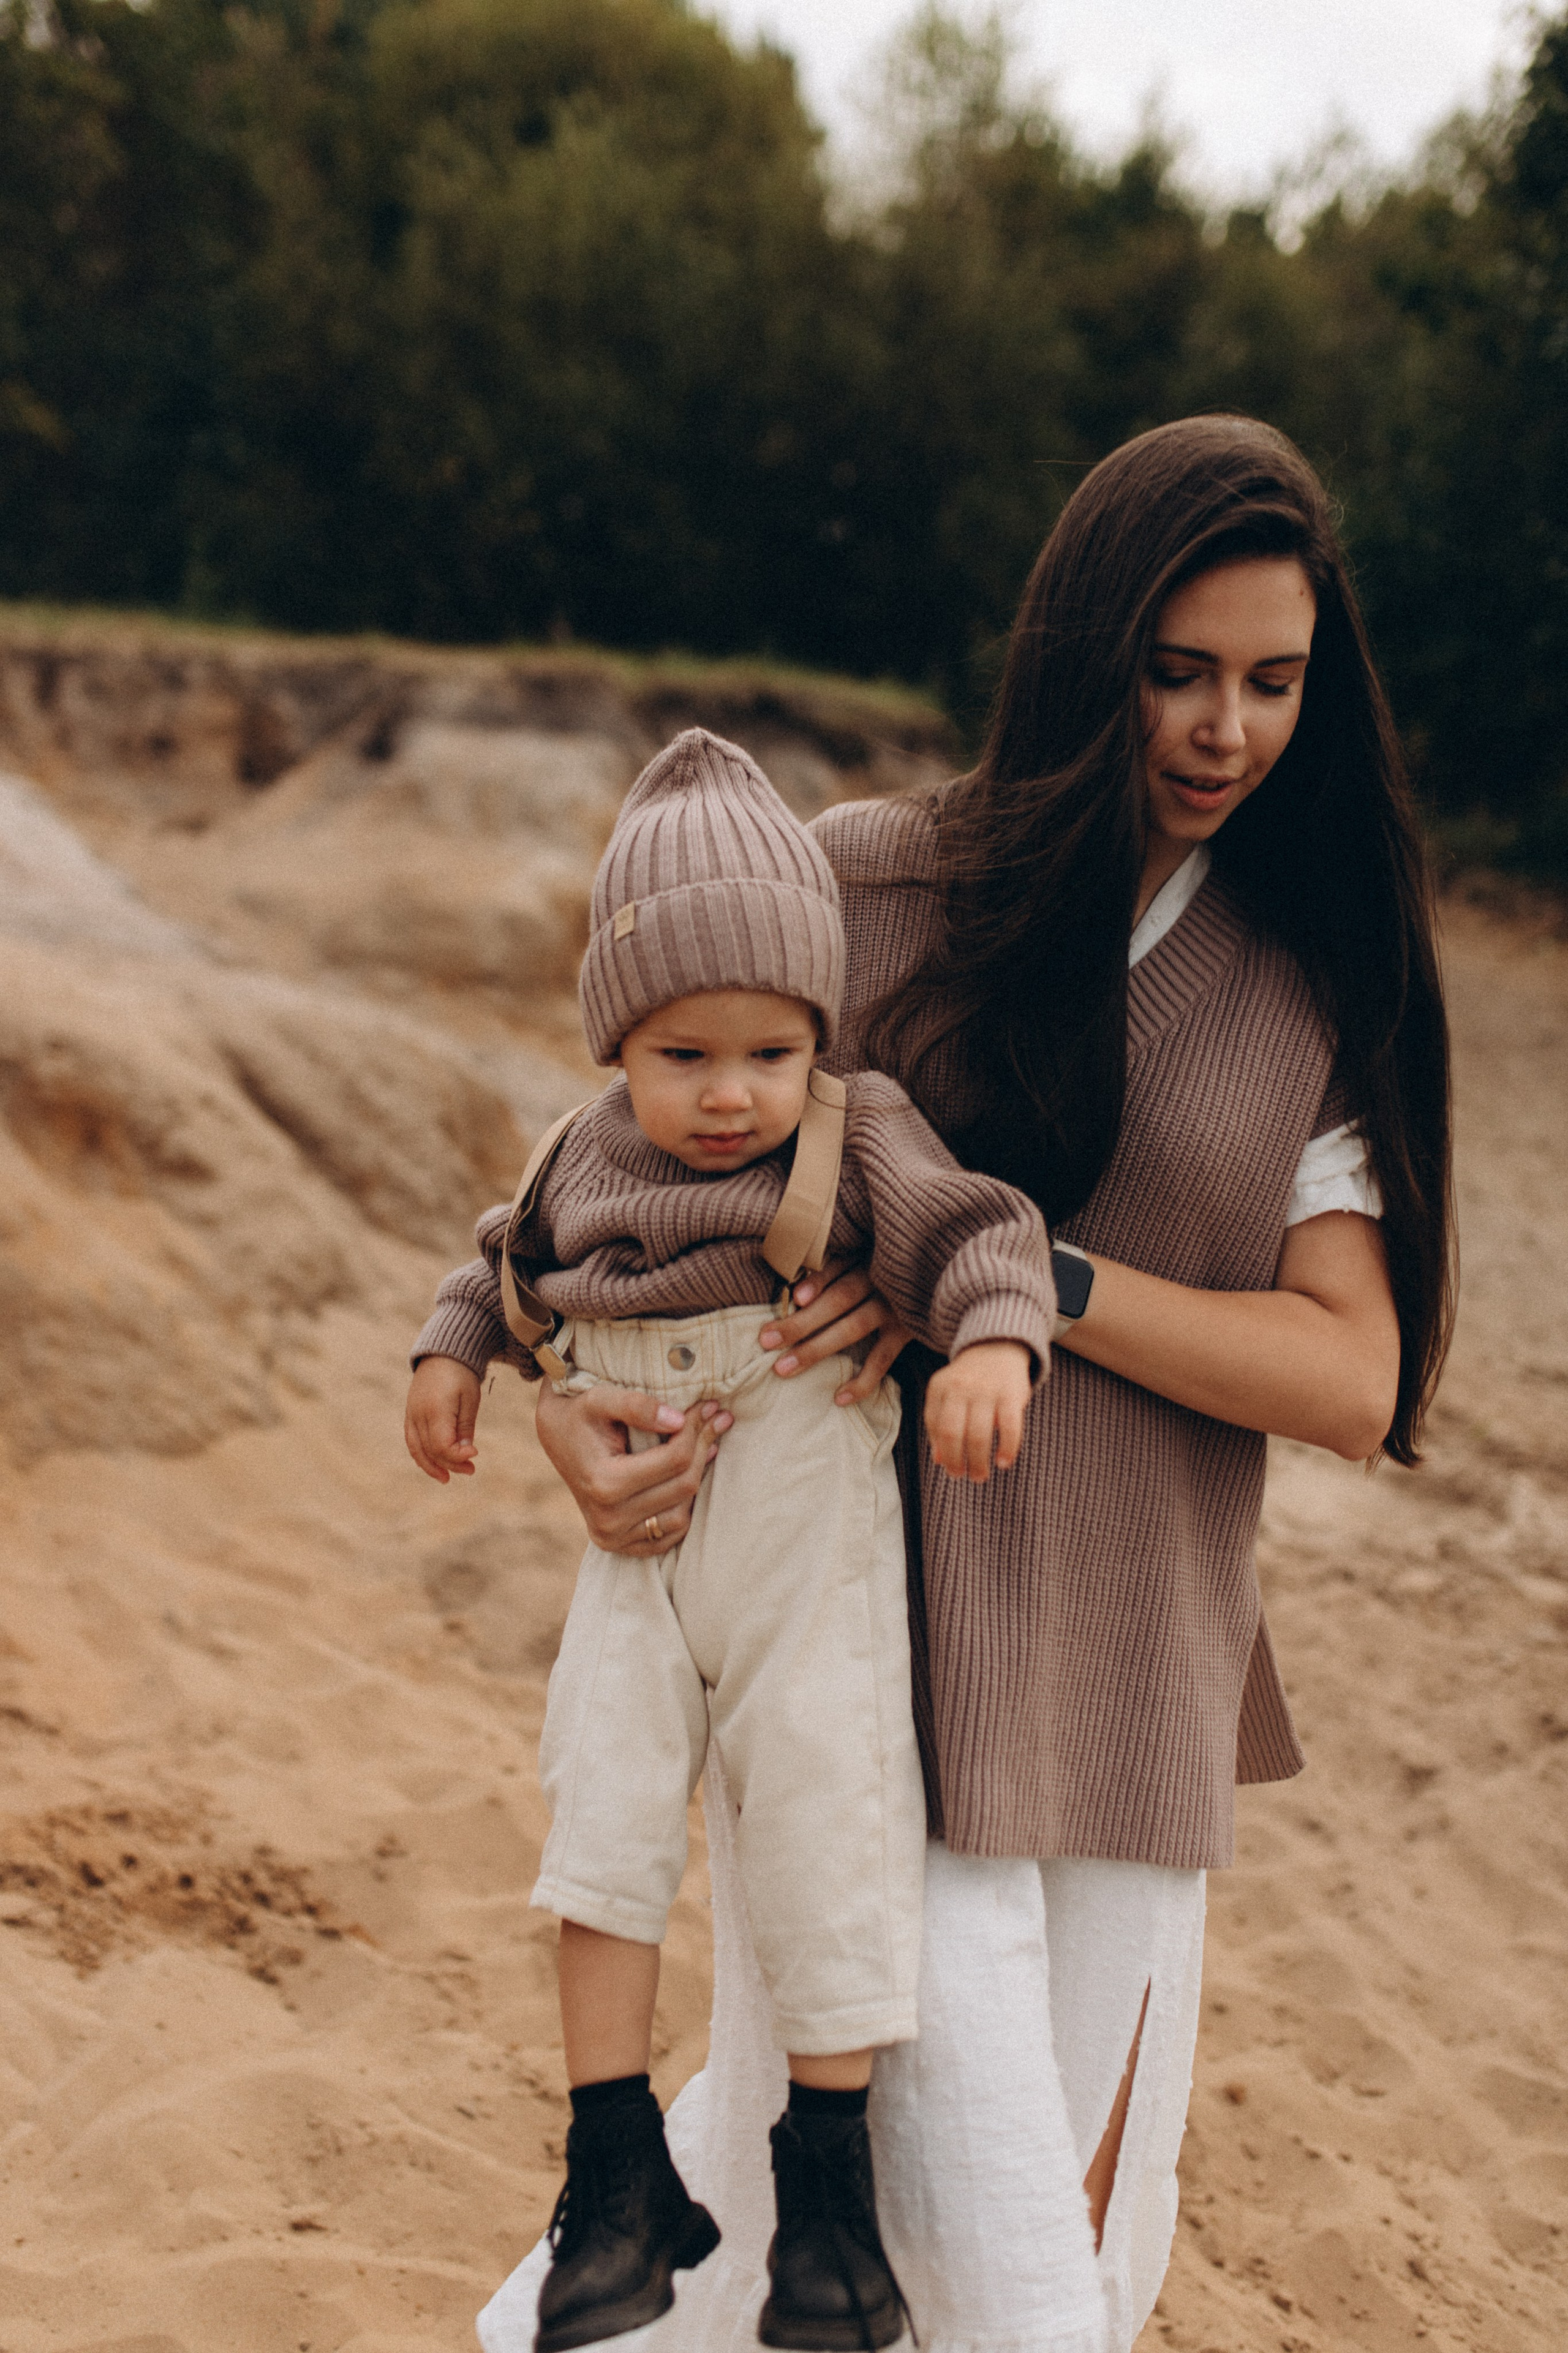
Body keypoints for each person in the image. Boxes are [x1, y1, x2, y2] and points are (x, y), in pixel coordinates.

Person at [462, 414, 1454, 2353]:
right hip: (852, 1640)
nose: (1224, 729)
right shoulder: (869, 882)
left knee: (1048, 2200)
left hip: (1128, 1657)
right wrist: (567, 1405)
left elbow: (1350, 1377)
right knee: (969, 2256)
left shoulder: (1309, 984)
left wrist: (1033, 1282)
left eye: (1275, 681)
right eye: (1177, 671)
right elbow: (630, 1175)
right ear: (1086, 650)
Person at [405, 729, 1057, 2352]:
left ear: (815, 1035)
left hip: (794, 1528)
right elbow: (505, 1263)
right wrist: (449, 1354)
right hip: (637, 1551)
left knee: (825, 1818)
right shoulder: (579, 1156)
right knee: (604, 1817)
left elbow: (983, 1234)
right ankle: (615, 2163)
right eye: (683, 1053)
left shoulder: (855, 1135)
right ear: (619, 1043)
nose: (729, 1093)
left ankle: (825, 2203)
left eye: (769, 1050)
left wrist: (991, 1345)